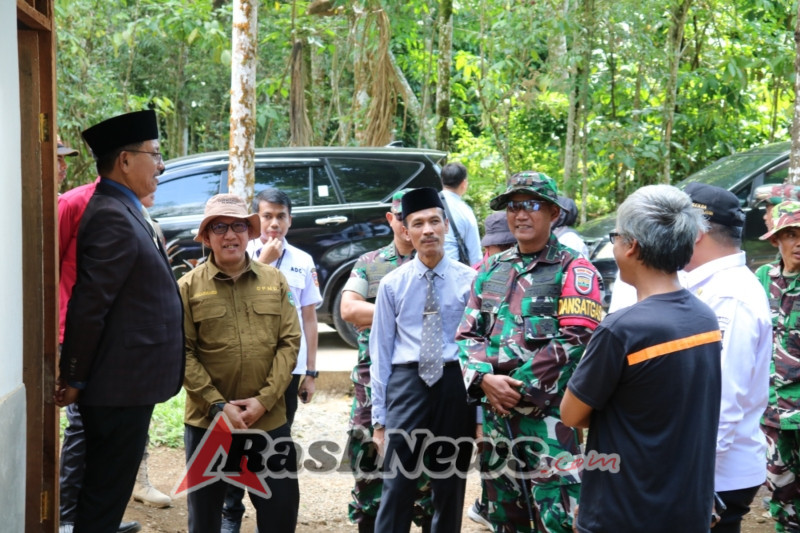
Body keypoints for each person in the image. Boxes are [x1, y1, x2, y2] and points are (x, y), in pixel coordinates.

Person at [561, 184, 722, 533]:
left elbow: (572, 414)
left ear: (631, 245)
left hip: (625, 510)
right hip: (686, 508)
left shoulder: (621, 330)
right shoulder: (705, 319)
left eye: (615, 237)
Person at [55, 109, 185, 533]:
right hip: (118, 384)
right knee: (104, 495)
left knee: (107, 491)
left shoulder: (126, 207)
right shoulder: (111, 212)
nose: (161, 165)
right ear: (125, 161)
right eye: (155, 154)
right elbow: (90, 305)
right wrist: (75, 375)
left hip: (131, 381)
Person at [457, 171, 603, 533]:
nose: (521, 214)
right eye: (513, 206)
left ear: (553, 213)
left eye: (532, 205)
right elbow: (466, 334)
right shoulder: (491, 268)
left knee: (558, 517)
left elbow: (577, 339)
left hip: (548, 420)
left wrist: (515, 389)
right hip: (497, 419)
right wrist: (484, 379)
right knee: (505, 515)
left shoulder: (573, 268)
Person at [179, 194, 301, 533]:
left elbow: (289, 342)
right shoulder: (187, 287)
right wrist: (219, 405)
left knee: (280, 514)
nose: (230, 235)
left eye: (238, 226)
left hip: (268, 420)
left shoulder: (274, 280)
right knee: (206, 521)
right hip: (209, 424)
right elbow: (182, 352)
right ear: (206, 237)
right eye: (219, 227)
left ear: (249, 233)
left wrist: (264, 401)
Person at [370, 187, 476, 533]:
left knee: (450, 485)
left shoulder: (470, 282)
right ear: (406, 231)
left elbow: (478, 349)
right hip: (407, 384)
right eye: (418, 224)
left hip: (454, 385)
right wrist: (379, 420)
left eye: (434, 221)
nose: (428, 230)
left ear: (446, 225)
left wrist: (478, 415)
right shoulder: (392, 284)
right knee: (397, 482)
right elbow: (380, 353)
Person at [221, 188, 322, 532]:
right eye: (267, 216)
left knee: (276, 438)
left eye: (281, 216)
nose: (274, 223)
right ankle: (231, 510)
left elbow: (309, 318)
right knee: (236, 435)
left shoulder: (302, 261)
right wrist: (262, 260)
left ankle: (270, 509)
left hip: (287, 370)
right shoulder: (240, 253)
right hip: (244, 365)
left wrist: (310, 371)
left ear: (290, 220)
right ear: (256, 220)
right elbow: (232, 297)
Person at [339, 189, 434, 533]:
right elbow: (349, 309)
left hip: (424, 383)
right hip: (371, 385)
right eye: (403, 218)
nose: (410, 226)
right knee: (369, 469)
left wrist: (377, 313)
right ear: (392, 219)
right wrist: (404, 312)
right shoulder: (371, 262)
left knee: (428, 471)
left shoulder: (436, 263)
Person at [682, 183, 771, 533]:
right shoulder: (710, 284)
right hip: (708, 468)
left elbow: (720, 399)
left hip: (713, 473)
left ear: (695, 232)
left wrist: (691, 475)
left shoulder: (729, 295)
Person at [756, 200, 800, 532]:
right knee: (780, 487)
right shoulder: (763, 278)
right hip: (772, 410)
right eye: (791, 235)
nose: (798, 243)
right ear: (776, 240)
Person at [440, 162, 482, 265]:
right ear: (463, 183)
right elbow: (475, 253)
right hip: (454, 268)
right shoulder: (465, 211)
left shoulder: (429, 204)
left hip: (426, 268)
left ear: (442, 181)